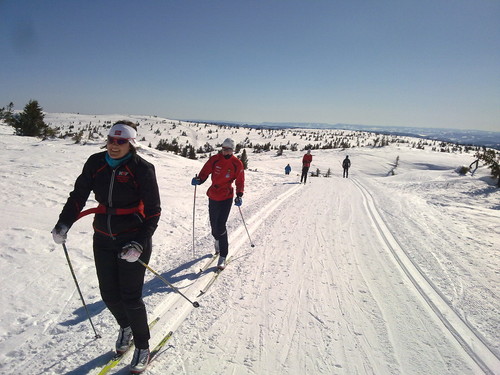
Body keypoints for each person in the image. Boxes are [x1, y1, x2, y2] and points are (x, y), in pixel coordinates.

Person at [51, 121, 161, 374]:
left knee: (130, 297)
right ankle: (126, 328)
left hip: (132, 237)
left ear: (130, 144)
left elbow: (154, 211)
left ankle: (142, 347)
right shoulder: (95, 162)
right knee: (109, 294)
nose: (114, 145)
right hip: (102, 236)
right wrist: (63, 223)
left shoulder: (142, 168)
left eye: (120, 142)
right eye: (111, 139)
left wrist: (139, 243)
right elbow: (78, 195)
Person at [191, 138, 245, 270]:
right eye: (223, 149)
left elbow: (240, 180)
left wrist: (239, 195)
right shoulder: (215, 159)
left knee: (221, 225)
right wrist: (199, 179)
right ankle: (217, 240)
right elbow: (205, 171)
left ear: (233, 150)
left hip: (226, 196)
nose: (225, 151)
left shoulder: (237, 163)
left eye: (228, 149)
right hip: (213, 195)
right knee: (214, 224)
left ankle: (223, 255)